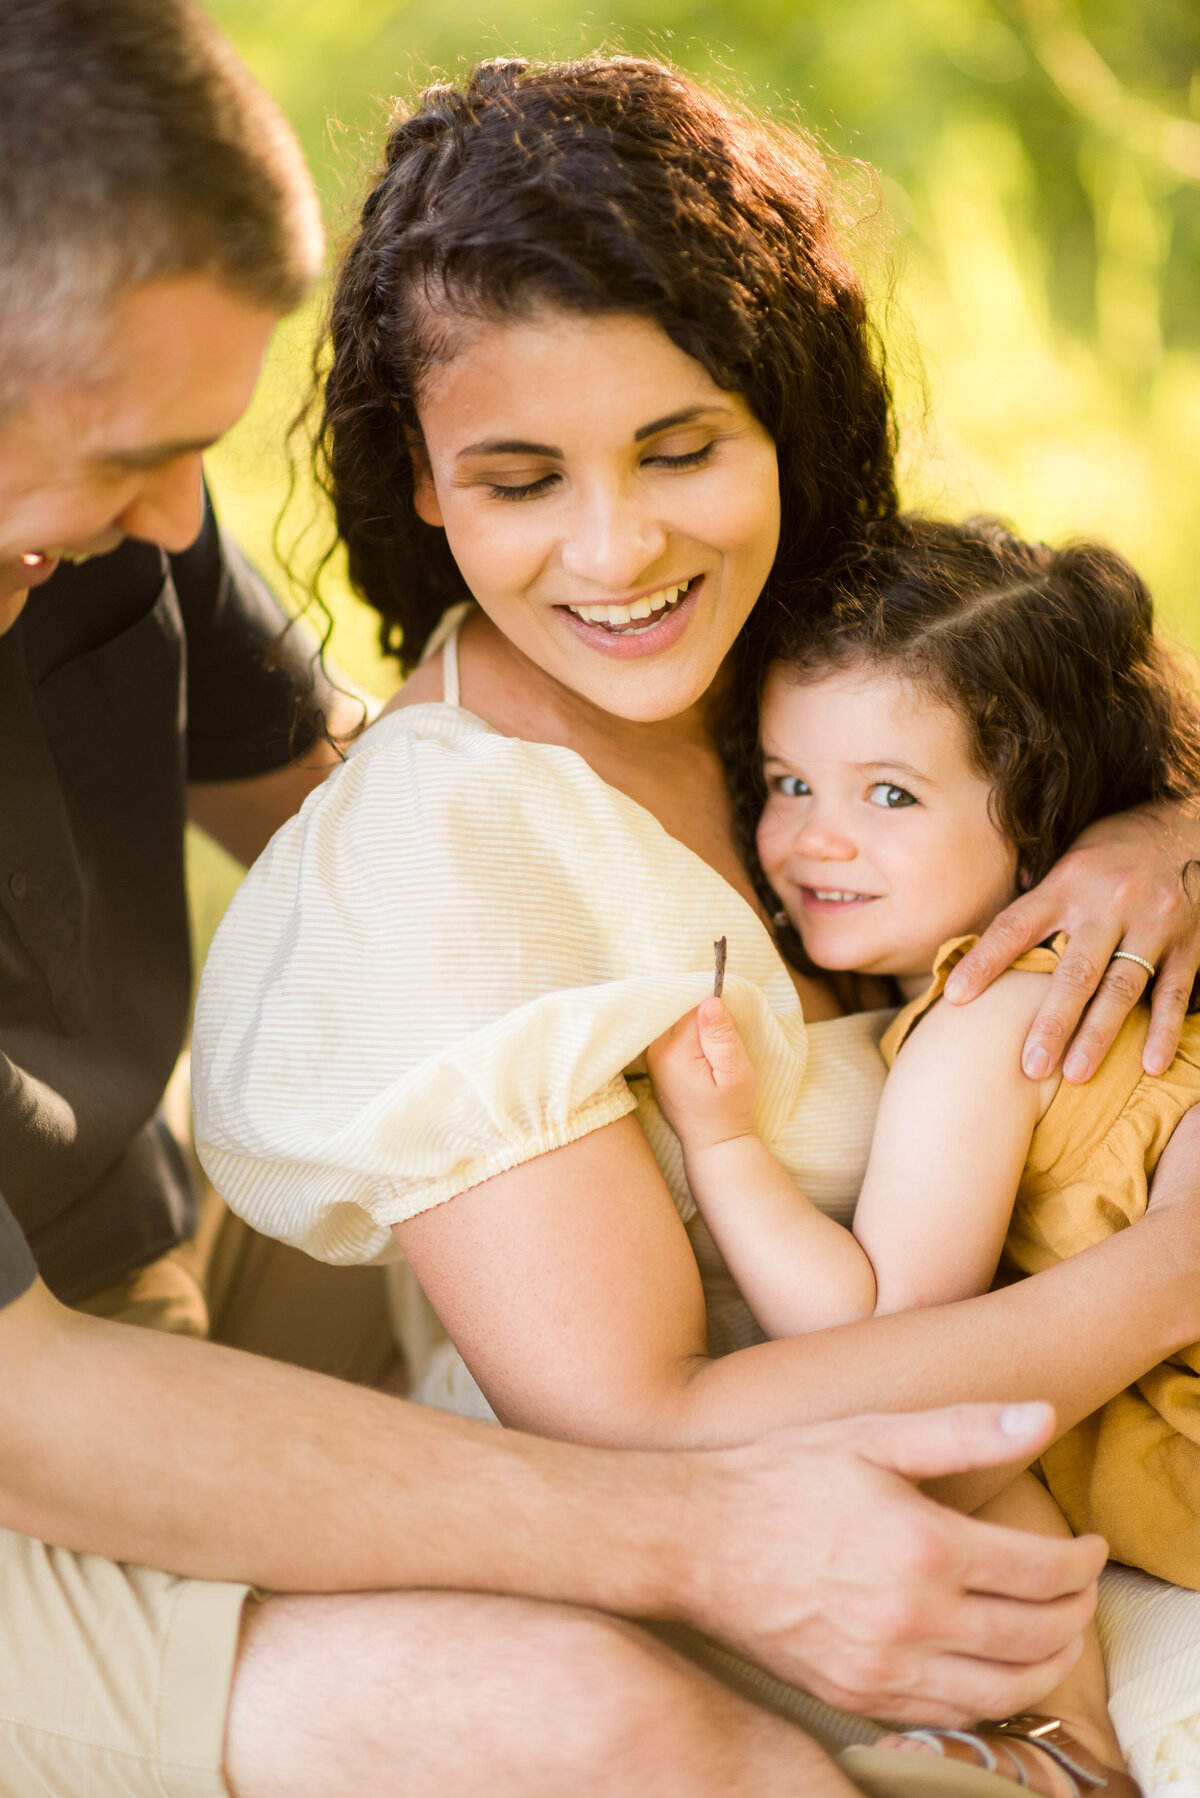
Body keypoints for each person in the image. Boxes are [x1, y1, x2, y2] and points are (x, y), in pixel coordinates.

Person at [0, 7, 1129, 1796]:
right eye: (522, 480)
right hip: (26, 1408)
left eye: (190, 448)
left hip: (131, 1250)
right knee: (595, 1722)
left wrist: (1137, 822)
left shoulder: (106, 503)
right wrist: (714, 1537)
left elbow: (371, 801)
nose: (176, 511)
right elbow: (35, 1412)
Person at [648, 514, 1200, 1792]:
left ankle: (1058, 1749)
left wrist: (722, 1144)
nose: (814, 838)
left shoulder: (984, 1019)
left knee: (942, 1444)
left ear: (1042, 814)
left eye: (889, 794)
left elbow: (879, 1328)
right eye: (790, 782)